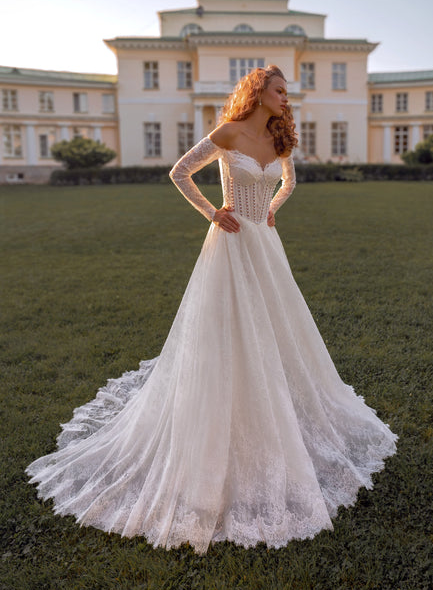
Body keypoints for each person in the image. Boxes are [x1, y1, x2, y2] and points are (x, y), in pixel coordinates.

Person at [26, 65, 397, 554]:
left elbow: (288, 183)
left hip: (264, 242)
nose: (286, 99)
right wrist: (213, 211)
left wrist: (270, 211)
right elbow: (179, 171)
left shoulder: (281, 140)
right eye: (279, 91)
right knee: (225, 331)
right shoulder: (227, 132)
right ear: (257, 92)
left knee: (276, 328)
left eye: (288, 92)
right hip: (230, 242)